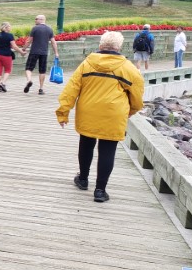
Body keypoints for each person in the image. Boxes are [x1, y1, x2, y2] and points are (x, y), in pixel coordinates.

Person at [56, 31, 144, 203]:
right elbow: (137, 96)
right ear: (119, 46)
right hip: (113, 113)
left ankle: (83, 179)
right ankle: (100, 191)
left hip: (88, 110)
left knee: (86, 144)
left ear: (101, 44)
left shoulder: (87, 64)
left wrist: (63, 112)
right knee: (107, 150)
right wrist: (131, 111)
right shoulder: (128, 68)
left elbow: (71, 89)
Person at [22, 15, 59, 95]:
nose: (35, 20)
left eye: (36, 19)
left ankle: (29, 80)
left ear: (41, 19)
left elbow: (29, 41)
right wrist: (56, 53)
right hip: (44, 53)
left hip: (34, 52)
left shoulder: (35, 28)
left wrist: (24, 48)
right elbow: (53, 42)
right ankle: (41, 88)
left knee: (28, 68)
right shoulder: (49, 29)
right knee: (42, 71)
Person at [0, 22, 27, 92]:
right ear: (6, 27)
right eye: (9, 26)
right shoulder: (9, 35)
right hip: (6, 55)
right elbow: (14, 46)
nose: (10, 28)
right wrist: (21, 52)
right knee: (8, 70)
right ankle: (3, 83)